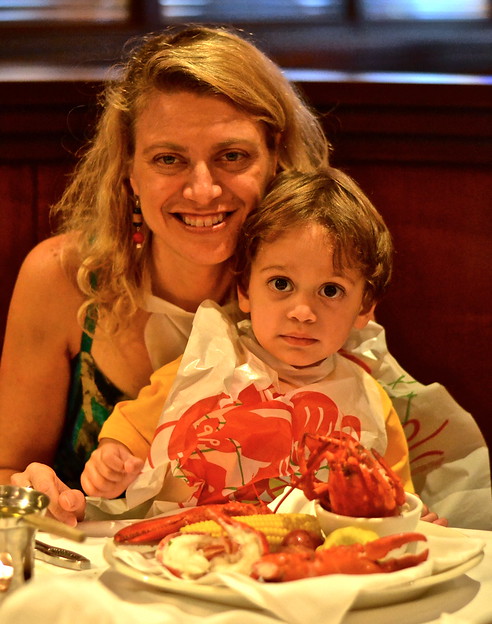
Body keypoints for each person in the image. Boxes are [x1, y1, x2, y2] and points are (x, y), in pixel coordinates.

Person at [0, 26, 486, 527]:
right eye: (169, 159)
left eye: (232, 156)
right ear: (130, 172)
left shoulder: (318, 294)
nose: (203, 190)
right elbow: (5, 470)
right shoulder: (63, 279)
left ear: (274, 158)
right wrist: (28, 491)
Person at [81, 168, 415, 511]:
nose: (302, 312)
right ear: (244, 290)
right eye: (281, 284)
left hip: (315, 559)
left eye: (331, 290)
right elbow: (132, 432)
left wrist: (414, 516)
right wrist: (112, 462)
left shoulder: (370, 400)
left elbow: (395, 497)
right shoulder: (205, 365)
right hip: (186, 549)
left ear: (364, 307)